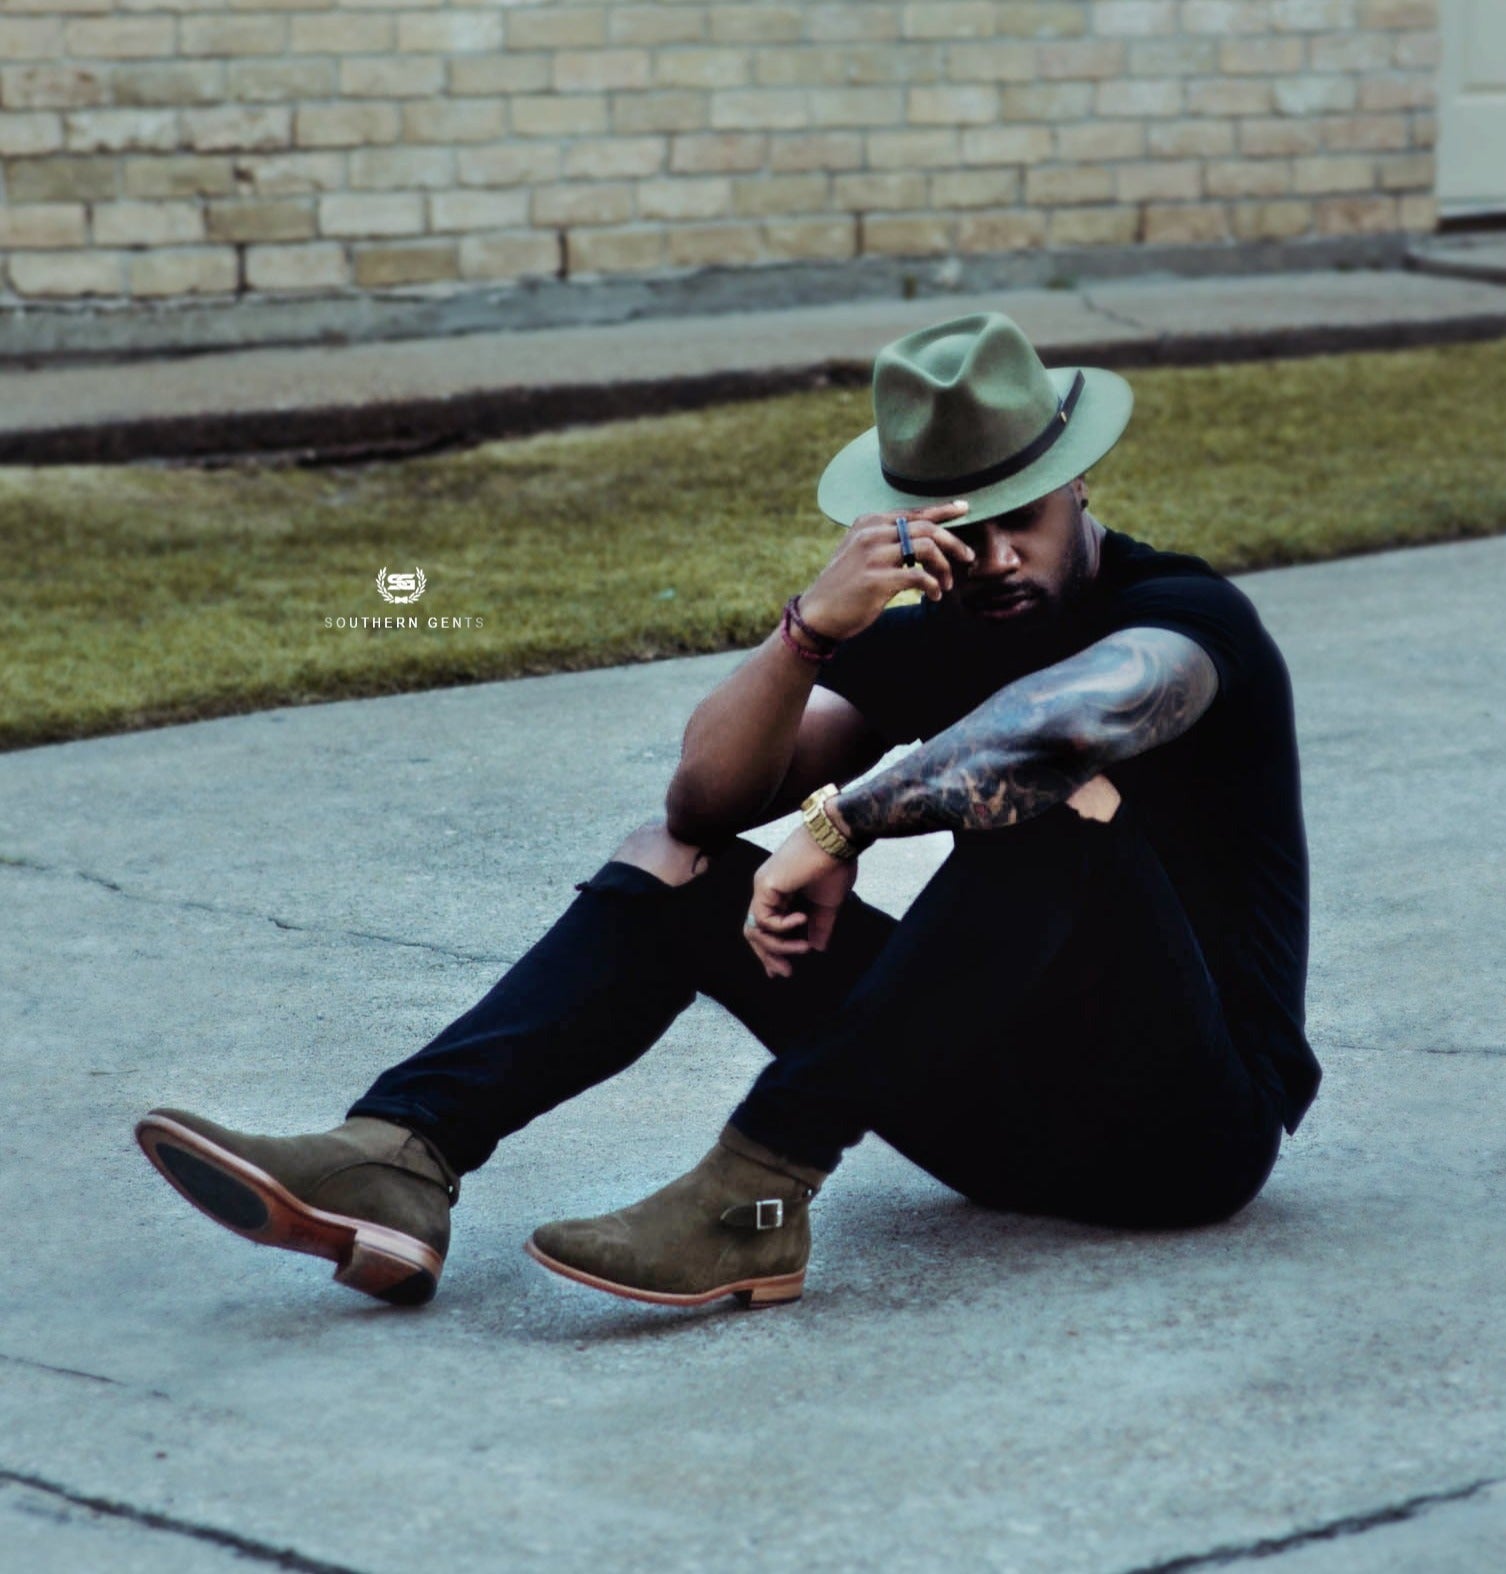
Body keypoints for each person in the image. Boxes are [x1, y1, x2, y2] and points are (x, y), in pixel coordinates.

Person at [135, 311, 1320, 1312]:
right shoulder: (937, 627)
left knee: (1052, 805)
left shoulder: (1183, 617)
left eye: (1025, 517)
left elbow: (1056, 733)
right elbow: (704, 797)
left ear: (1078, 484)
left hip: (1186, 1134)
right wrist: (810, 629)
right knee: (669, 862)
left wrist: (838, 826)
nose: (998, 556)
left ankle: (752, 1193)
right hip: (993, 1125)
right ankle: (399, 1154)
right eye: (964, 528)